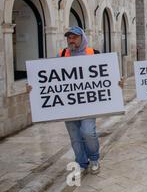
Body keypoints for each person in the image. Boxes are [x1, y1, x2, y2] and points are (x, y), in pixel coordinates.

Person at [27, 26, 123, 174]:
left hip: (89, 104)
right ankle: (82, 162)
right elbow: (49, 78)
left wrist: (118, 82)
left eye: (74, 37)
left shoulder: (93, 53)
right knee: (75, 137)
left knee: (88, 132)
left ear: (82, 38)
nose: (71, 40)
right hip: (69, 105)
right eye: (69, 37)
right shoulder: (62, 54)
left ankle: (94, 158)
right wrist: (33, 88)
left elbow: (108, 76)